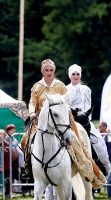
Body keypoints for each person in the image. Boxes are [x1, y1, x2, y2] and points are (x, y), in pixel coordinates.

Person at [20, 59, 106, 189]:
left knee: (74, 141)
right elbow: (32, 102)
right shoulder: (37, 86)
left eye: (51, 70)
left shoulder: (60, 86)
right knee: (24, 140)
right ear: (42, 71)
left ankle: (84, 165)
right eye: (46, 70)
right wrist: (32, 114)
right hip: (40, 122)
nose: (49, 72)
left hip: (58, 122)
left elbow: (67, 103)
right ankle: (28, 168)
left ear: (54, 71)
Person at [66, 63, 110, 178]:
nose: (75, 76)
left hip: (84, 120)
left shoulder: (86, 89)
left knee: (99, 143)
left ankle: (102, 165)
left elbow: (88, 105)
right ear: (70, 75)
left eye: (77, 74)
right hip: (71, 121)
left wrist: (86, 120)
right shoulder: (65, 89)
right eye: (73, 74)